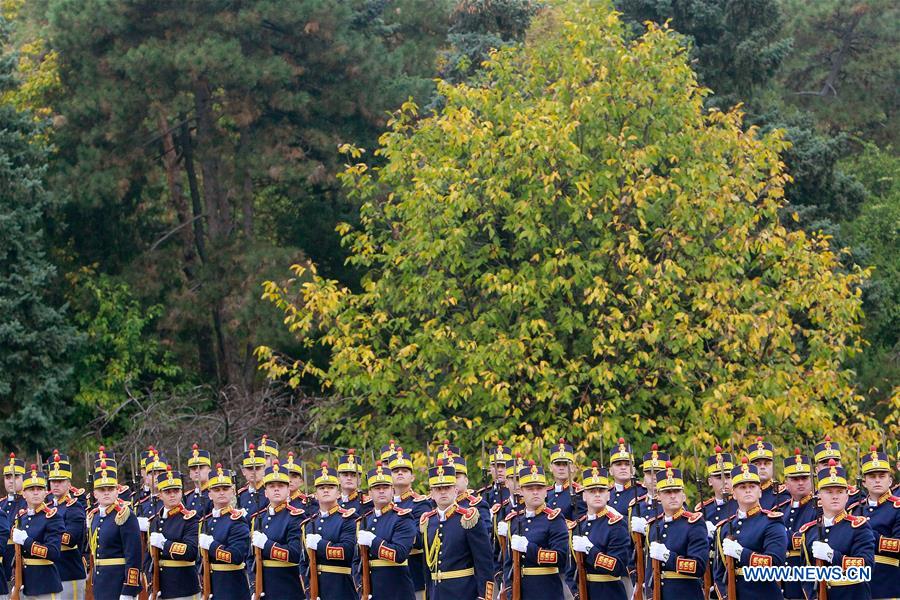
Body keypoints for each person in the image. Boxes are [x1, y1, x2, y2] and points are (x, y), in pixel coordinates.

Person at [798, 459, 874, 600]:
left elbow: (867, 565)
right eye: (828, 492)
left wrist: (832, 556)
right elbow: (806, 575)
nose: (835, 496)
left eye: (839, 492)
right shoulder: (809, 532)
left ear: (846, 496)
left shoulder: (858, 527)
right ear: (819, 496)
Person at [713, 458, 787, 600]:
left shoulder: (771, 522)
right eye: (742, 487)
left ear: (760, 492)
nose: (747, 490)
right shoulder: (723, 528)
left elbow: (776, 562)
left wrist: (741, 553)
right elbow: (719, 574)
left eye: (752, 486)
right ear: (734, 494)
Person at [420, 459, 494, 600]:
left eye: (447, 487)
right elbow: (427, 566)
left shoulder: (468, 518)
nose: (443, 492)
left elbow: (484, 560)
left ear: (455, 490)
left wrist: (485, 596)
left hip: (464, 592)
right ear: (432, 494)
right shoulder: (428, 521)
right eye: (438, 489)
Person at [500, 460, 569, 599]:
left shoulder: (554, 519)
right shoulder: (514, 520)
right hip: (521, 592)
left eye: (539, 488)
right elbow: (508, 564)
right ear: (521, 491)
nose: (535, 492)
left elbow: (561, 557)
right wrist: (509, 592)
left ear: (545, 491)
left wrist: (528, 548)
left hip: (547, 591)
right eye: (530, 489)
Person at [641, 462, 709, 600]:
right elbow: (650, 569)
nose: (672, 496)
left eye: (676, 491)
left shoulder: (694, 524)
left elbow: (699, 566)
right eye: (667, 492)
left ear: (683, 496)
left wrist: (667, 556)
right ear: (658, 496)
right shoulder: (653, 525)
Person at [568, 461, 630, 600]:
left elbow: (618, 566)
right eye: (592, 491)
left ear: (608, 495)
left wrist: (590, 550)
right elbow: (570, 570)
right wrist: (576, 593)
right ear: (584, 496)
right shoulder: (578, 526)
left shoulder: (616, 525)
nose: (597, 495)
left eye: (601, 491)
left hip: (610, 593)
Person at [357, 462, 416, 600]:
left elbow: (400, 554)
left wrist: (374, 542)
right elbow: (356, 560)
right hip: (371, 591)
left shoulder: (402, 517)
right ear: (370, 493)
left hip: (397, 591)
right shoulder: (364, 520)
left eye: (385, 487)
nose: (381, 491)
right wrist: (361, 587)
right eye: (377, 488)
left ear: (392, 490)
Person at [87, 461, 143, 600]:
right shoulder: (93, 516)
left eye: (110, 489)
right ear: (95, 494)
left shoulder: (124, 515)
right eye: (102, 489)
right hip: (100, 583)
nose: (106, 492)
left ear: (117, 491)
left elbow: (134, 555)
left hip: (119, 584)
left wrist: (129, 588)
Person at [850, 446, 899, 600]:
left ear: (890, 480)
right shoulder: (854, 510)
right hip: (856, 584)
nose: (877, 480)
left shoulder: (897, 507)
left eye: (882, 475)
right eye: (872, 476)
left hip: (887, 583)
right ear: (864, 482)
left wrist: (869, 536)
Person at [250, 460, 304, 599]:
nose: (276, 489)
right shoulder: (258, 518)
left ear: (287, 490)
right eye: (272, 486)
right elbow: (250, 558)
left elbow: (295, 553)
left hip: (287, 590)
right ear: (265, 492)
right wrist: (253, 588)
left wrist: (267, 545)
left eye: (280, 486)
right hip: (262, 591)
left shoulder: (295, 517)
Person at [302, 462, 357, 599]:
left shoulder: (348, 519)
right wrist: (308, 587)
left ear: (338, 493)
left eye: (330, 487)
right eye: (321, 488)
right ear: (316, 494)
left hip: (341, 588)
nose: (326, 490)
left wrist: (320, 545)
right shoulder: (309, 523)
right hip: (315, 589)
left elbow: (348, 551)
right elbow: (303, 560)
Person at [11, 464, 64, 599]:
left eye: (39, 489)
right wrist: (15, 579)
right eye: (31, 489)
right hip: (25, 585)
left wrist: (26, 541)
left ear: (46, 493)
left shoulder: (53, 517)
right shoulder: (21, 517)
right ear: (23, 493)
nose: (35, 492)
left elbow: (53, 552)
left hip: (45, 584)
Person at [198, 465, 250, 600]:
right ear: (209, 494)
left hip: (232, 588)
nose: (221, 492)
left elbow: (236, 556)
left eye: (225, 489)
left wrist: (212, 546)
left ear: (232, 491)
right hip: (210, 586)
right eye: (216, 489)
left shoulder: (237, 520)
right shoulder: (205, 521)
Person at [149, 467, 200, 600]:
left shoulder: (189, 518)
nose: (172, 495)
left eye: (176, 491)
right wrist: (150, 584)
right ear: (160, 495)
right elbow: (150, 559)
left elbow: (191, 551)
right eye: (167, 491)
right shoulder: (156, 520)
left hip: (183, 588)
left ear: (181, 493)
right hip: (161, 589)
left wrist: (164, 544)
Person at [389, 447, 431, 599]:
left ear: (412, 477)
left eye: (405, 470)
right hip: (387, 576)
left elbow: (420, 540)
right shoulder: (384, 506)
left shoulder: (420, 504)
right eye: (395, 470)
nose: (400, 473)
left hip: (413, 573)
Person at [47, 454, 87, 599]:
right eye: (53, 481)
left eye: (60, 481)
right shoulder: (48, 507)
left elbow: (70, 538)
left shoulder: (74, 507)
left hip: (69, 572)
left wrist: (47, 533)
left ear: (69, 484)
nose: (55, 485)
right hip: (52, 573)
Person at [781, 449, 816, 600]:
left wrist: (782, 539)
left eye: (804, 478)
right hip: (785, 578)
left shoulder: (819, 507)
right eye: (795, 479)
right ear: (786, 483)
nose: (801, 482)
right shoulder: (782, 509)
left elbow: (811, 539)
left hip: (808, 578)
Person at [2, 454, 26, 589]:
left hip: (20, 565)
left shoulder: (29, 504)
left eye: (16, 476)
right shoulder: (1, 505)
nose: (11, 481)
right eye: (8, 477)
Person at [546, 439, 584, 521]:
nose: (561, 468)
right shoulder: (546, 493)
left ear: (573, 468)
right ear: (550, 467)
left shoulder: (579, 492)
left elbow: (580, 523)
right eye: (558, 464)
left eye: (565, 464)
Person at [236, 445, 267, 518]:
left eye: (258, 468)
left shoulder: (268, 493)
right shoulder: (241, 494)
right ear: (243, 471)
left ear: (264, 470)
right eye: (250, 468)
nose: (254, 472)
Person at [183, 444, 212, 517]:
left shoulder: (214, 493)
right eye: (193, 468)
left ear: (209, 471)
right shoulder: (188, 497)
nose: (197, 471)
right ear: (190, 474)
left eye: (201, 468)